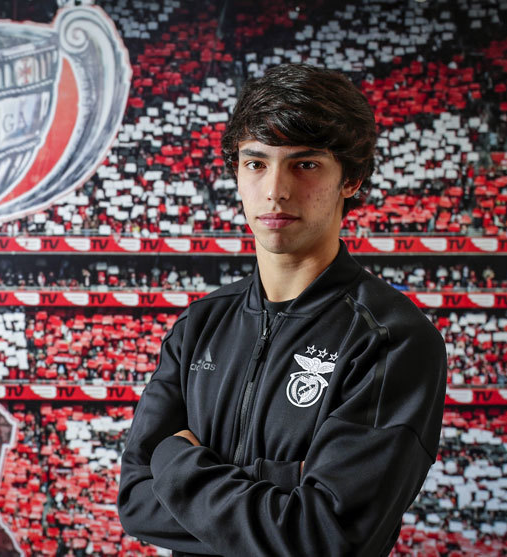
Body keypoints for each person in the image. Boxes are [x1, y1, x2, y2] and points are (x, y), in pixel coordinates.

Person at [118, 64, 447, 556]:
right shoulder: (198, 325)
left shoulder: (391, 340)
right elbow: (135, 501)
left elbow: (323, 537)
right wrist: (283, 484)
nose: (275, 189)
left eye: (305, 164)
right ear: (237, 173)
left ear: (352, 179)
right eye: (256, 163)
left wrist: (175, 462)